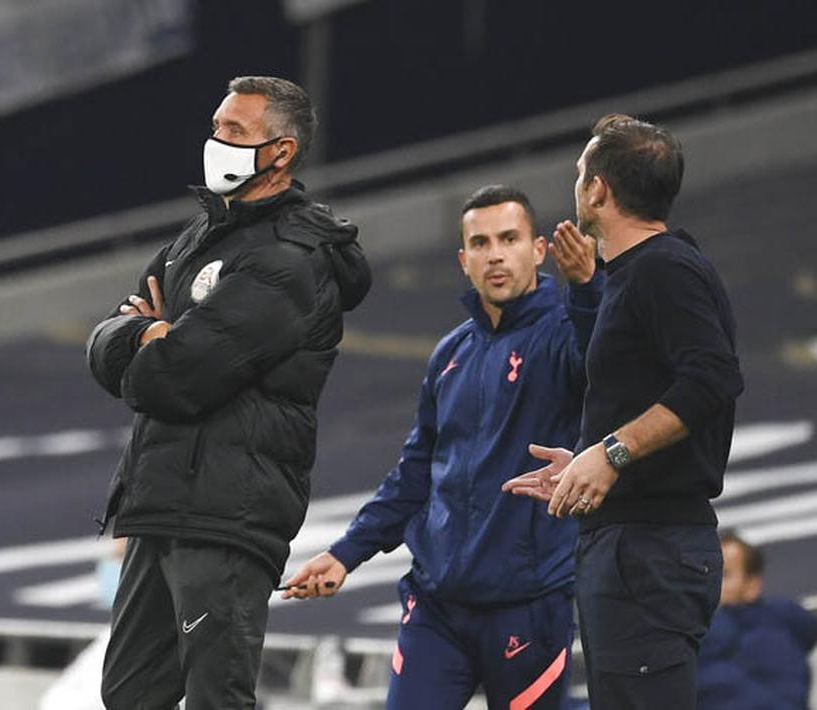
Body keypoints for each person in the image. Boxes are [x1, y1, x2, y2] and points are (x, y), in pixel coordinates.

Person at [86, 75, 371, 708]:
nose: (216, 141)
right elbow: (105, 341)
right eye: (217, 127)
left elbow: (179, 378)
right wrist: (150, 333)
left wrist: (155, 336)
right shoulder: (202, 234)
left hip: (225, 512)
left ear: (282, 152)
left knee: (218, 698)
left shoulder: (290, 259)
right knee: (128, 696)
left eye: (235, 131)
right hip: (162, 500)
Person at [282, 185, 602, 709]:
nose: (495, 253)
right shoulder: (451, 352)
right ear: (463, 260)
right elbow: (415, 475)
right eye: (480, 243)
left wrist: (589, 289)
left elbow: (604, 363)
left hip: (527, 608)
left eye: (509, 238)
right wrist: (346, 554)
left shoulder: (563, 335)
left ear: (538, 250)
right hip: (437, 606)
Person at [503, 114, 743, 708]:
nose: (577, 182)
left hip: (652, 550)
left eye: (581, 171)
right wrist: (589, 461)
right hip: (633, 544)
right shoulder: (634, 274)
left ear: (599, 190)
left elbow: (713, 377)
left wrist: (611, 455)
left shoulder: (664, 268)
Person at [696, 532, 817, 709]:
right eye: (704, 573)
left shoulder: (769, 634)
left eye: (725, 575)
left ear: (752, 585)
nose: (710, 583)